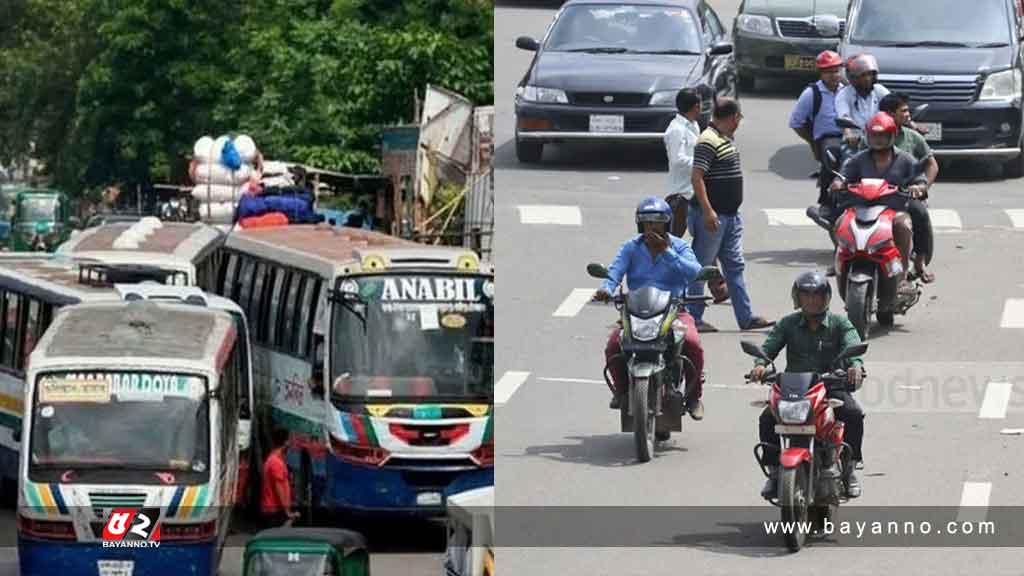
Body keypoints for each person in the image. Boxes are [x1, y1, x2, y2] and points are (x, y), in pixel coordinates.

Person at [750, 271, 866, 499]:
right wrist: (760, 365)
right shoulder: (788, 323)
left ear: (826, 297)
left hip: (830, 384)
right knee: (767, 419)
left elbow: (853, 342)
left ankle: (850, 468)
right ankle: (774, 473)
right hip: (794, 388)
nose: (812, 300)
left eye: (817, 295)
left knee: (853, 413)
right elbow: (768, 348)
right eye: (806, 295)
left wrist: (855, 366)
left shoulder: (839, 323)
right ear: (798, 298)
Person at [595, 196, 707, 419]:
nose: (651, 228)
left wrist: (667, 252)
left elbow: (695, 272)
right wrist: (606, 288)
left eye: (657, 223)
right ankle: (622, 391)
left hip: (674, 311)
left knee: (693, 343)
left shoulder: (679, 246)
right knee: (613, 345)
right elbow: (615, 271)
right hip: (636, 312)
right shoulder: (631, 247)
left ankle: (694, 397)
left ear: (666, 224)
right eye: (647, 223)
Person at [685, 97, 774, 333]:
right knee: (701, 268)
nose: (739, 123)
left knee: (735, 267)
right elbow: (697, 178)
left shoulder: (724, 139)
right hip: (714, 218)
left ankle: (745, 317)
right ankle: (694, 316)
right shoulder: (707, 140)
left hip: (730, 217)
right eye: (739, 118)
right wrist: (708, 211)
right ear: (734, 118)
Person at [830, 112, 929, 298]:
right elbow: (843, 176)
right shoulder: (858, 159)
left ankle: (902, 275)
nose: (878, 140)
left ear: (892, 136)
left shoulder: (906, 159)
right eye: (874, 135)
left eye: (882, 135)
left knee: (903, 226)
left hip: (894, 210)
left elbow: (920, 179)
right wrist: (838, 183)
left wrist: (918, 187)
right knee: (839, 224)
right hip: (860, 208)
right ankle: (841, 263)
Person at [861, 92, 938, 282]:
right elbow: (855, 165)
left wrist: (922, 187)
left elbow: (931, 165)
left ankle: (919, 262)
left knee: (919, 213)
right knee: (843, 217)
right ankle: (842, 258)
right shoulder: (867, 139)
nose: (908, 114)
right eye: (903, 111)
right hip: (871, 195)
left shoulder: (912, 138)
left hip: (903, 195)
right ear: (889, 114)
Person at [664, 88, 729, 302]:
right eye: (699, 104)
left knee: (707, 241)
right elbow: (677, 159)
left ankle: (718, 286)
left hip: (695, 193)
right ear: (695, 107)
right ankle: (661, 286)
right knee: (670, 245)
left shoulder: (693, 125)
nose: (701, 107)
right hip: (681, 195)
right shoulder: (676, 130)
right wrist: (704, 163)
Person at [789, 50, 845, 209]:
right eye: (828, 72)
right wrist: (812, 141)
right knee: (832, 153)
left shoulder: (848, 90)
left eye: (836, 71)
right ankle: (826, 202)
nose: (834, 75)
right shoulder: (811, 93)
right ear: (821, 73)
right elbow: (796, 123)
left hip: (851, 135)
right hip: (827, 139)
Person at [834, 54, 889, 161]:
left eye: (870, 74)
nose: (867, 79)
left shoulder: (879, 90)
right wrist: (849, 134)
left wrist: (911, 124)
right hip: (857, 142)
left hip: (881, 138)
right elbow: (844, 117)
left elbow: (894, 105)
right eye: (863, 75)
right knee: (848, 164)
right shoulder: (844, 95)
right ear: (853, 78)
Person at [260, 427, 300, 528]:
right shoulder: (276, 463)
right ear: (285, 442)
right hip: (275, 512)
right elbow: (280, 488)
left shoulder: (274, 459)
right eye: (290, 440)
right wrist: (288, 512)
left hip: (275, 511)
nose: (291, 443)